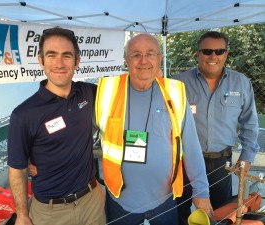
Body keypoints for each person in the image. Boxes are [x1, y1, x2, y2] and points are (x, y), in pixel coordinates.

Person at [95, 33, 213, 225]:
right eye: (136, 54)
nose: (143, 61)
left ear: (160, 59)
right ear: (126, 60)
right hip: (119, 200)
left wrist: (201, 191)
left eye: (150, 54)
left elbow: (190, 147)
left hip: (164, 200)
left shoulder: (175, 93)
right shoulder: (107, 91)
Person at [7, 27, 105, 225]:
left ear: (77, 61)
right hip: (50, 212)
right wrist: (22, 215)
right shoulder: (23, 114)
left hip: (92, 201)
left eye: (66, 56)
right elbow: (16, 170)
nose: (59, 63)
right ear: (41, 60)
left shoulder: (88, 93)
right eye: (51, 55)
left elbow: (125, 90)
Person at [174, 31, 260, 224]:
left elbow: (250, 122)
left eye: (219, 51)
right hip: (184, 162)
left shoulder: (241, 82)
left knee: (220, 214)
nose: (213, 56)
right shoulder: (178, 83)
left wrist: (247, 156)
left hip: (221, 163)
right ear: (197, 54)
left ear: (226, 54)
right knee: (179, 210)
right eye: (207, 51)